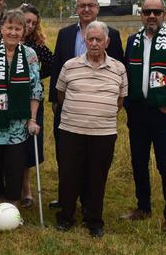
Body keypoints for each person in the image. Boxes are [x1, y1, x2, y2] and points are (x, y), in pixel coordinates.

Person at [122, 0, 166, 233]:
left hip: (163, 113)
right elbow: (126, 74)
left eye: (156, 12)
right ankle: (143, 207)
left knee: (165, 164)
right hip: (138, 111)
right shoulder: (133, 41)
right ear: (141, 15)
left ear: (165, 14)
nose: (151, 16)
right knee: (138, 161)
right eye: (147, 12)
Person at [48, 0, 123, 209]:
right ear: (76, 9)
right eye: (82, 5)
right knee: (67, 156)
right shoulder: (65, 34)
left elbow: (119, 73)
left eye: (91, 5)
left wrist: (110, 106)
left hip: (98, 110)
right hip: (69, 106)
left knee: (94, 159)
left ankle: (89, 201)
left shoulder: (113, 34)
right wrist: (55, 99)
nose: (86, 9)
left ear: (98, 8)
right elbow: (56, 67)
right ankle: (67, 198)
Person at [54, 21, 127, 238]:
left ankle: (94, 220)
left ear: (107, 42)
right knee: (68, 175)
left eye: (99, 39)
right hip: (71, 130)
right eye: (90, 39)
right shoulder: (70, 66)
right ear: (85, 40)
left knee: (97, 177)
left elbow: (120, 101)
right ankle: (66, 217)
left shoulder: (119, 68)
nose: (94, 43)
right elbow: (61, 94)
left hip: (103, 133)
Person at [0, 9, 42, 204]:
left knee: (15, 165)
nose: (13, 32)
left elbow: (36, 88)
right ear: (1, 28)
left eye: (18, 28)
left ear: (24, 31)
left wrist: (33, 119)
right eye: (9, 27)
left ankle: (13, 203)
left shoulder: (30, 55)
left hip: (19, 125)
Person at [19, 3, 52, 208]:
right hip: (7, 98)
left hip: (32, 99)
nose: (29, 25)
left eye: (33, 22)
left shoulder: (36, 46)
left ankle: (27, 189)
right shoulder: (2, 38)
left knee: (28, 144)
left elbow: (52, 62)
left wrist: (35, 77)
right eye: (26, 21)